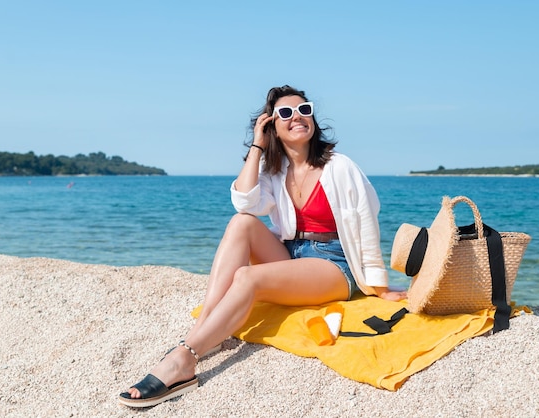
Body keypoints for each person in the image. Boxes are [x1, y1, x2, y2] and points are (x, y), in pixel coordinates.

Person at [119, 85, 407, 408]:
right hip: (293, 252)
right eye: (285, 113)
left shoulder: (339, 167)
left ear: (313, 119)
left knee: (246, 278)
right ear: (273, 126)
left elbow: (367, 221)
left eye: (304, 110)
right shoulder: (276, 171)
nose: (297, 117)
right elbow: (244, 201)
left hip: (335, 264)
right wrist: (258, 143)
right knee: (240, 222)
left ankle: (184, 359)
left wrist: (379, 287)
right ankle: (200, 334)